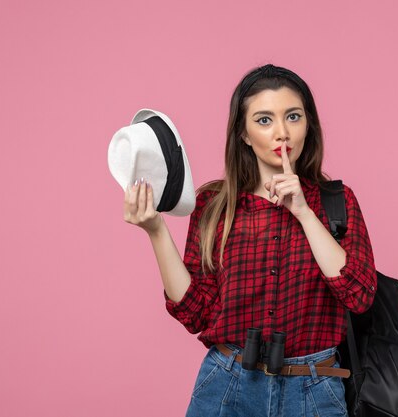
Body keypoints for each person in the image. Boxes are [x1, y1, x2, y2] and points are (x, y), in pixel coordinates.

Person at [123, 64, 377, 417]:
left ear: (309, 125)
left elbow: (360, 294)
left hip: (314, 389)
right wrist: (156, 230)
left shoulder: (336, 201)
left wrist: (303, 211)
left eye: (293, 116)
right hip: (227, 385)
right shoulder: (215, 205)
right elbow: (196, 312)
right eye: (263, 120)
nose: (282, 133)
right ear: (242, 133)